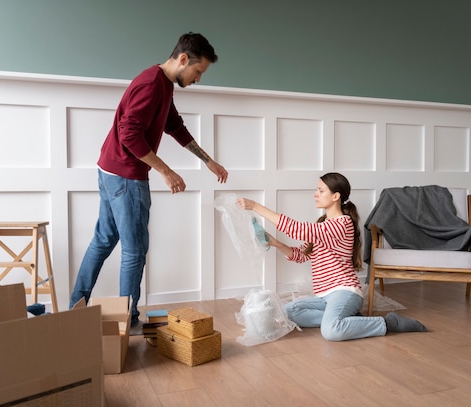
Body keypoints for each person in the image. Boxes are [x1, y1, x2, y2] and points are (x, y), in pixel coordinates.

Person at [69, 33, 228, 329]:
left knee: (103, 241)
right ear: (183, 59)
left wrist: (208, 160)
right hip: (127, 177)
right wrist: (166, 171)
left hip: (109, 168)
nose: (197, 79)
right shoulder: (152, 84)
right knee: (134, 249)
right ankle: (126, 320)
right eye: (197, 72)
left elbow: (174, 125)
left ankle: (75, 308)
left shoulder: (161, 83)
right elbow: (129, 134)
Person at [237, 172, 426, 341]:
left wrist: (255, 206)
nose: (315, 194)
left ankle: (388, 323)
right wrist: (275, 243)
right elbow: (300, 255)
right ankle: (350, 319)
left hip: (344, 292)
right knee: (287, 312)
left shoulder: (342, 224)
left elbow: (296, 228)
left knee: (331, 331)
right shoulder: (323, 225)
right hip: (323, 297)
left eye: (320, 190)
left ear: (336, 196)